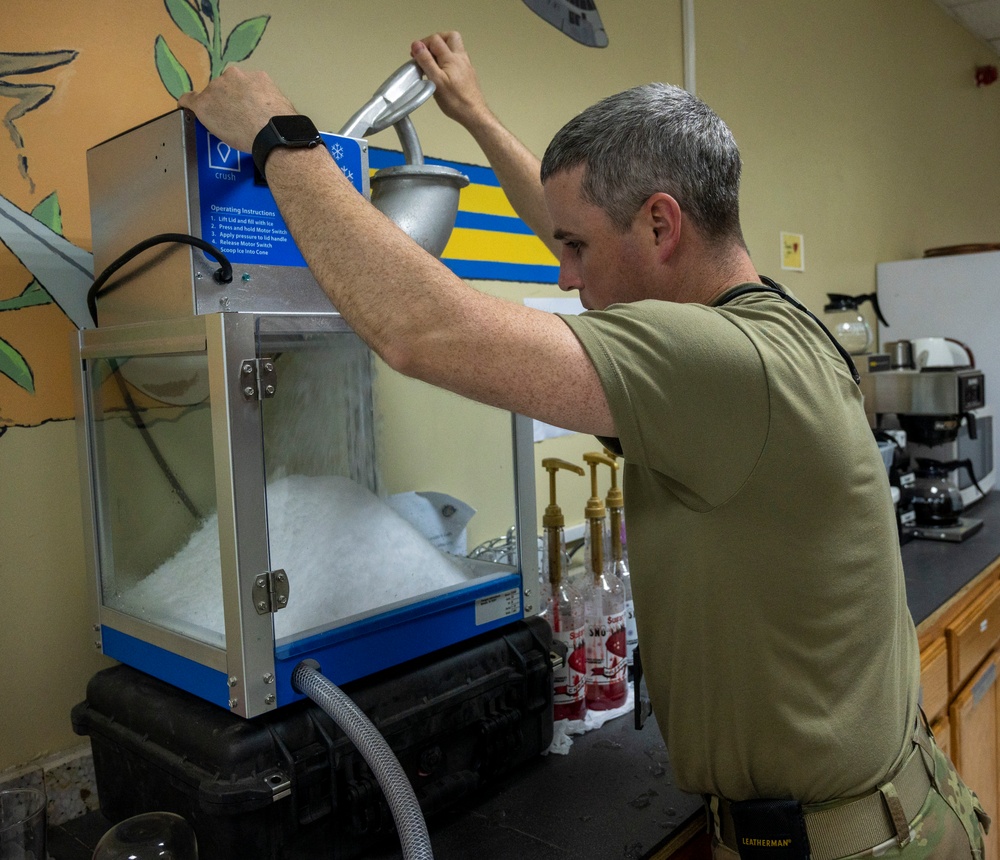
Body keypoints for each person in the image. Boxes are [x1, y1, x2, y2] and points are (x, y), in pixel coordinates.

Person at [178, 31, 987, 859]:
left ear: (662, 224)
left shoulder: (722, 367)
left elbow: (425, 329)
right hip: (860, 819)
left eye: (575, 250)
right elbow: (582, 228)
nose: (564, 275)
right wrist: (477, 115)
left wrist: (279, 135)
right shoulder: (761, 332)